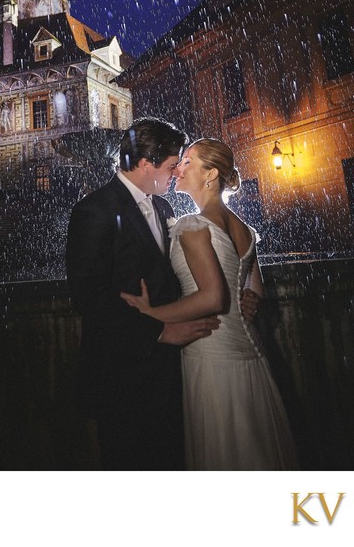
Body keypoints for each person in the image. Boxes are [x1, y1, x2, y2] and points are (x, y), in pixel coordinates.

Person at [120, 138, 299, 469]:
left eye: (188, 163)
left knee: (223, 453)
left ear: (211, 174)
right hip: (251, 352)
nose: (178, 169)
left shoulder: (193, 224)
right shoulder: (244, 227)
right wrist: (250, 301)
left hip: (212, 351)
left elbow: (213, 297)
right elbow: (255, 292)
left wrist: (151, 313)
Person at [66, 117, 222, 470]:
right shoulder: (94, 211)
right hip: (122, 374)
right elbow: (88, 297)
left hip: (168, 372)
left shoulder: (164, 207)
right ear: (146, 162)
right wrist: (161, 331)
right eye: (170, 165)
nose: (175, 174)